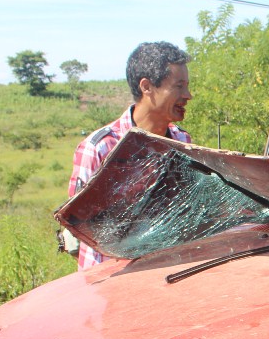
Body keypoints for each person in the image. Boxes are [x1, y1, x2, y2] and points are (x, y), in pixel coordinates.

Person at [67, 41, 193, 270]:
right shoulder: (100, 149)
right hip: (110, 284)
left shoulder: (182, 142)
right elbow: (78, 227)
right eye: (179, 86)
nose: (188, 95)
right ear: (147, 87)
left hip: (167, 274)